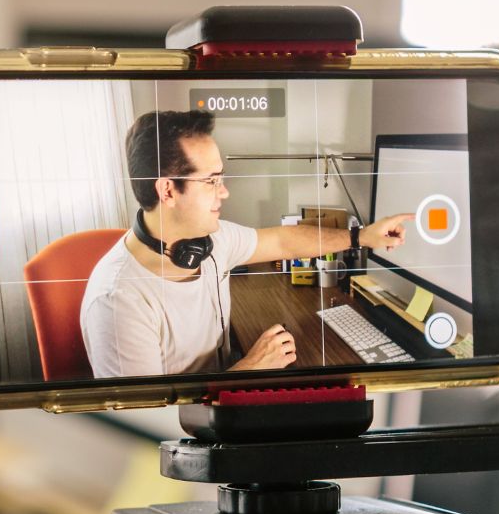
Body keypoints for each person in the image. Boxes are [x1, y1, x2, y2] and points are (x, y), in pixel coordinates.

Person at [80, 109, 411, 378]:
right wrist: (249, 369)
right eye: (211, 181)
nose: (224, 192)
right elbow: (151, 424)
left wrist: (360, 236)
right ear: (167, 191)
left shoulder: (210, 240)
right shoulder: (119, 303)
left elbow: (282, 241)